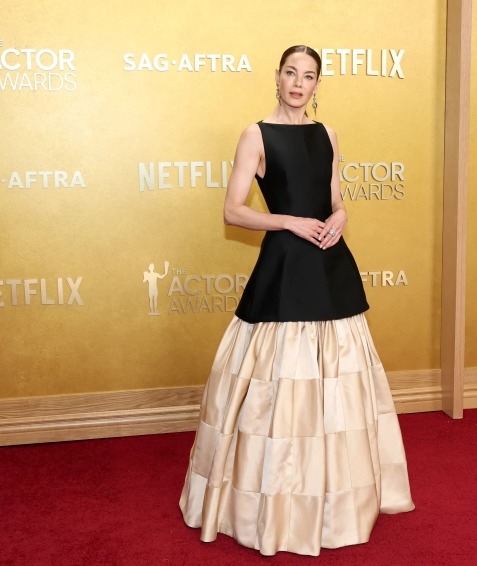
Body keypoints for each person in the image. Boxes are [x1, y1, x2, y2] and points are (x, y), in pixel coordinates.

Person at [179, 45, 415, 557]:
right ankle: (275, 498)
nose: (298, 83)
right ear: (278, 76)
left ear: (317, 84)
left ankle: (337, 497)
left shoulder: (327, 133)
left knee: (337, 379)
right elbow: (233, 210)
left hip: (328, 261)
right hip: (285, 266)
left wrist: (341, 215)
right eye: (291, 73)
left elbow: (334, 197)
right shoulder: (256, 134)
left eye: (308, 76)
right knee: (278, 383)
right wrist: (288, 221)